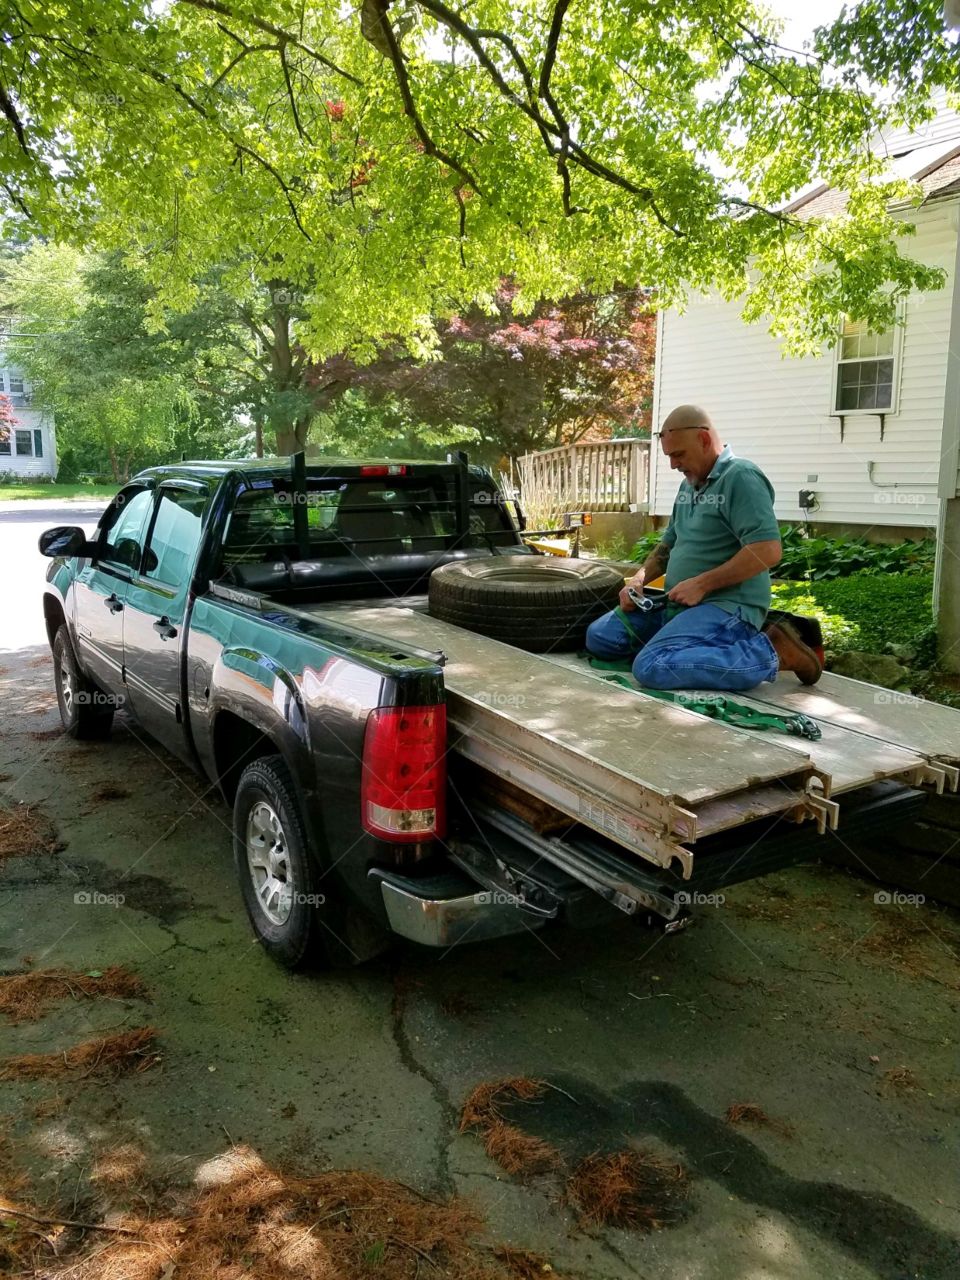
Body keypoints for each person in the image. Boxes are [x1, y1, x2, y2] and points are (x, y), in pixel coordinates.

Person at [585, 405, 822, 690]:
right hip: (679, 604)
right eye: (669, 456)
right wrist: (638, 580)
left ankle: (772, 651)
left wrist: (702, 584)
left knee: (651, 667)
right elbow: (668, 546)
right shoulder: (689, 486)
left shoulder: (741, 477)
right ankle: (685, 647)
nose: (673, 465)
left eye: (678, 455)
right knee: (600, 637)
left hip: (729, 608)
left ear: (705, 440)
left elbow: (768, 550)